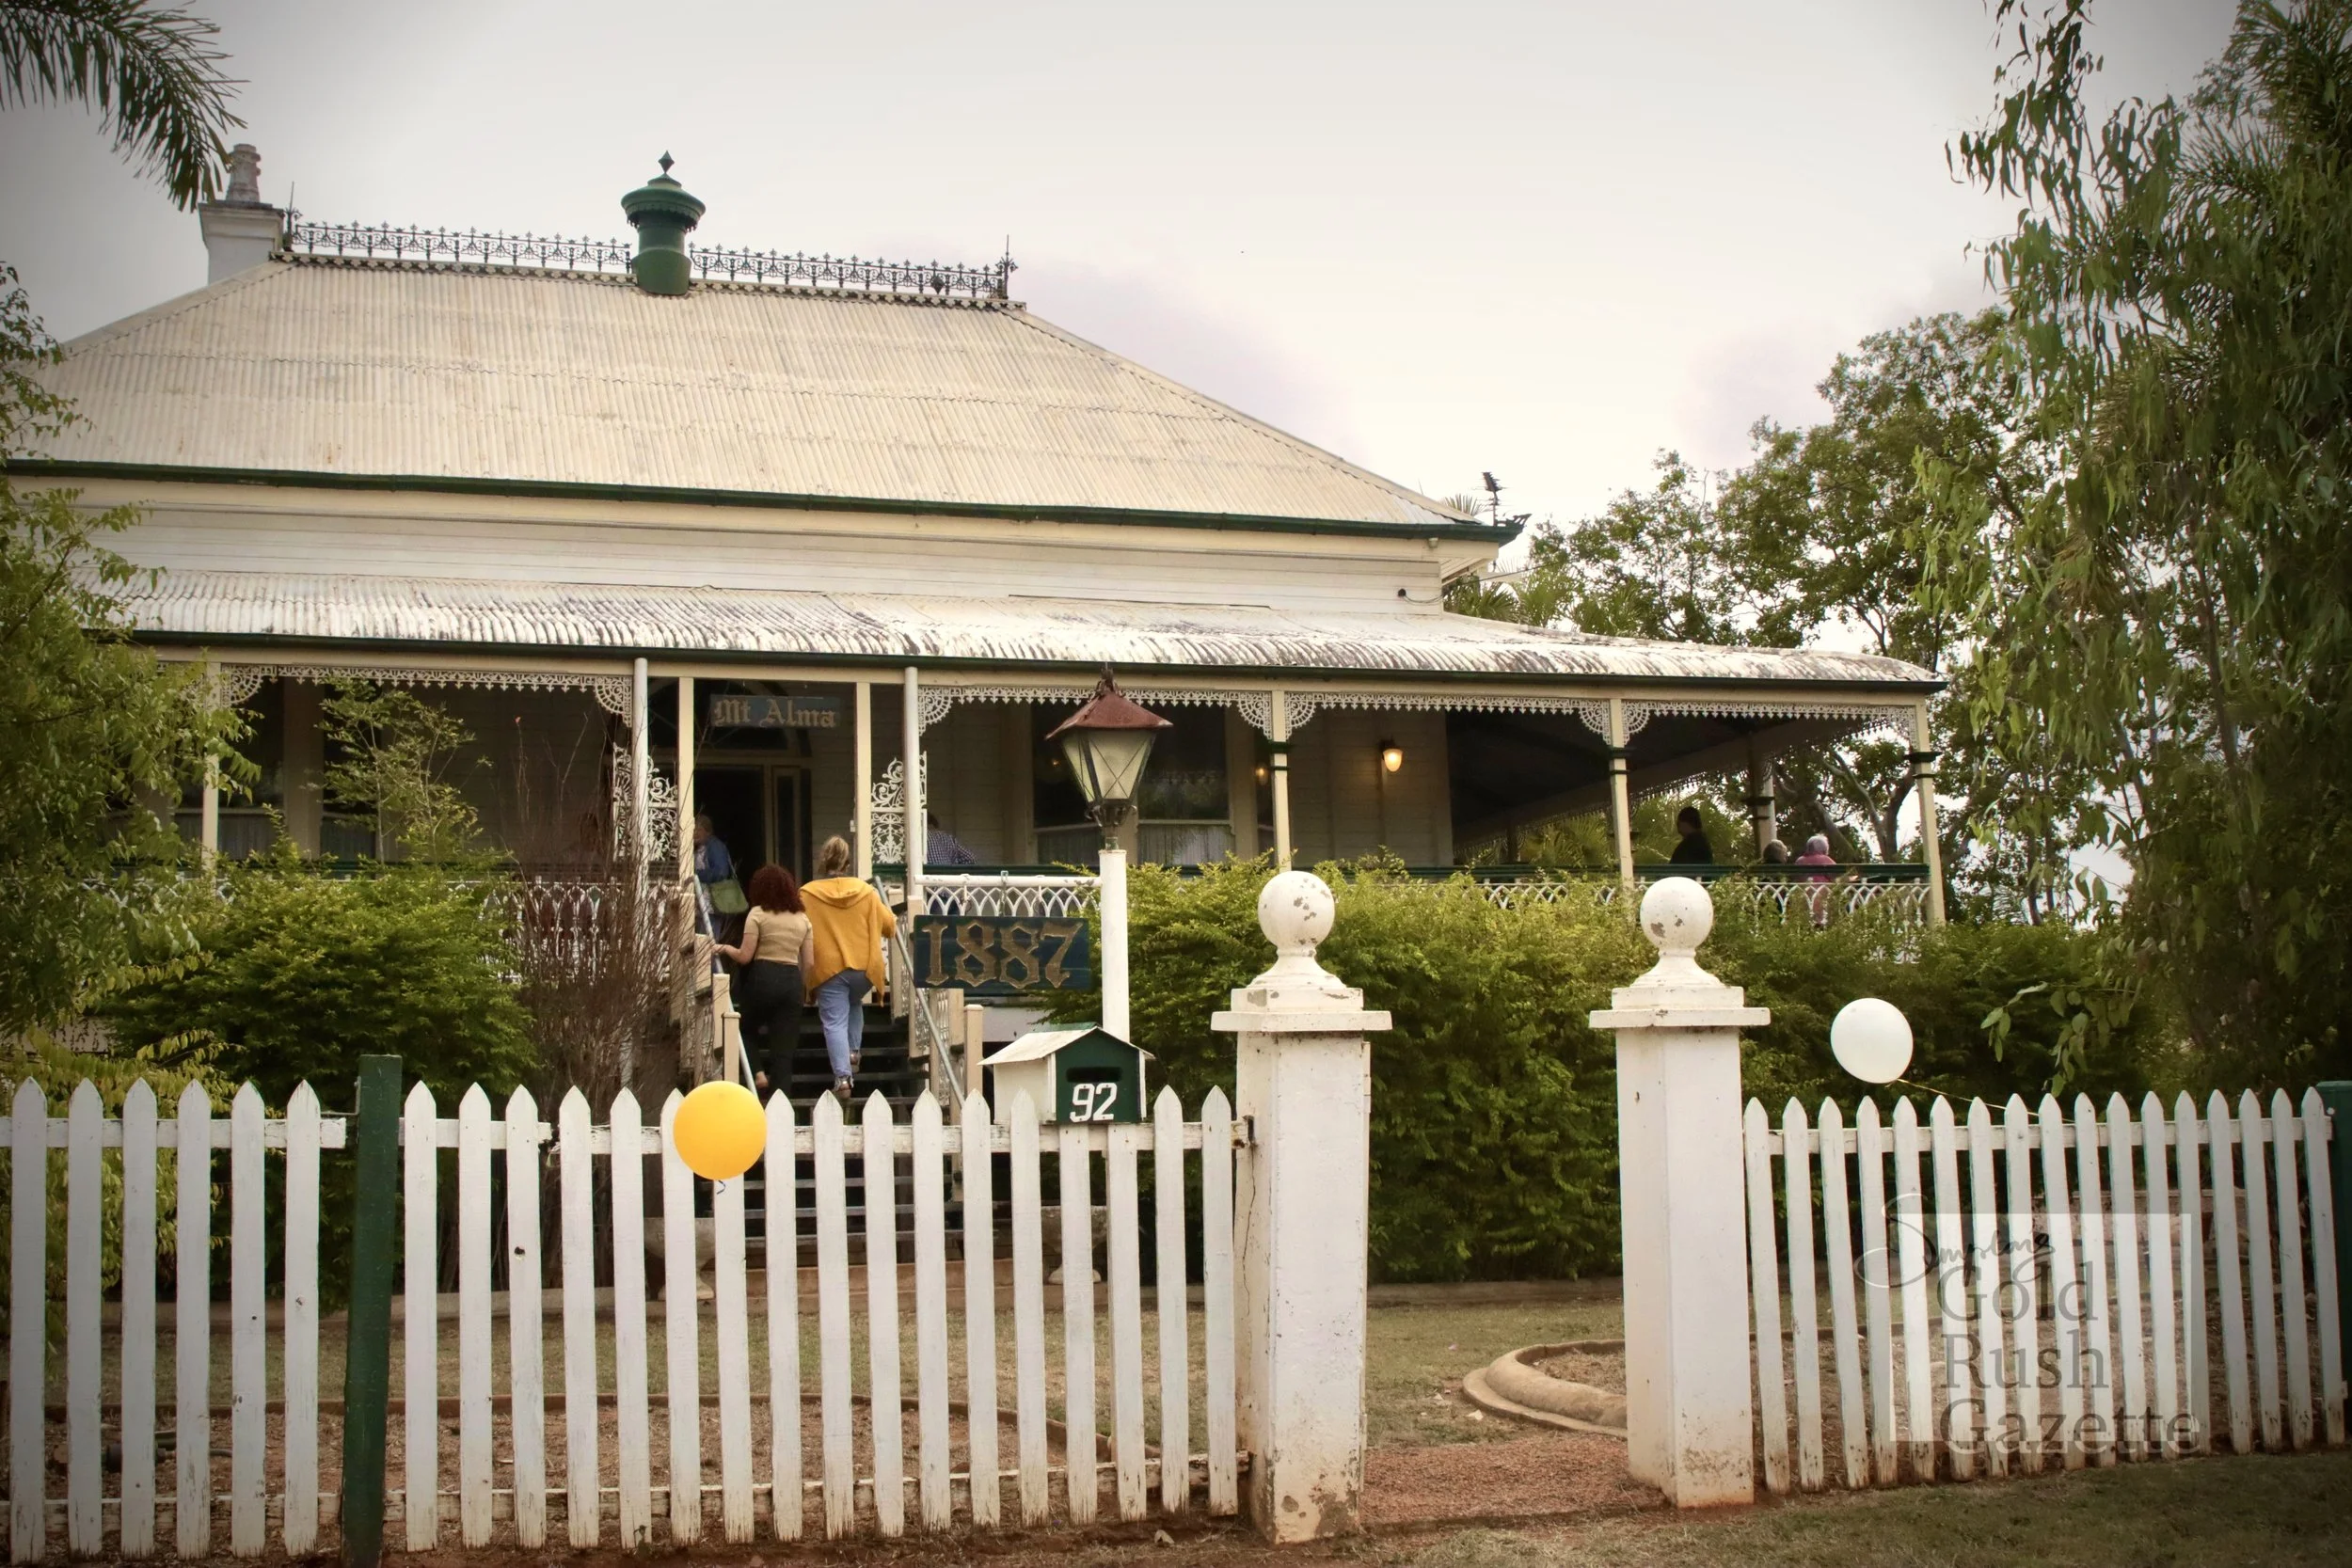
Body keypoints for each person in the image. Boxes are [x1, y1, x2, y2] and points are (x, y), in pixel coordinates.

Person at [800, 834, 898, 1102]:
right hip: (863, 968)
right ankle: (853, 1052)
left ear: (823, 861)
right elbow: (889, 926)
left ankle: (843, 1078)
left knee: (834, 1022)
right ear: (847, 862)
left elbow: (800, 928)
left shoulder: (807, 894)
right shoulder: (866, 892)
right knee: (854, 1003)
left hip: (829, 968)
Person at [712, 864, 811, 1096]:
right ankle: (781, 1104)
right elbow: (809, 963)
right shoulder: (803, 919)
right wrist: (805, 990)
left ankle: (757, 1073)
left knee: (745, 1028)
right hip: (791, 981)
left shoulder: (757, 914)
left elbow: (745, 957)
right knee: (784, 1052)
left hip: (763, 976)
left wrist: (725, 948)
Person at [1795, 832, 1838, 927]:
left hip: (1803, 898)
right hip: (1821, 897)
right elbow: (1837, 877)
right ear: (1824, 848)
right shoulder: (1826, 860)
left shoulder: (1800, 861)